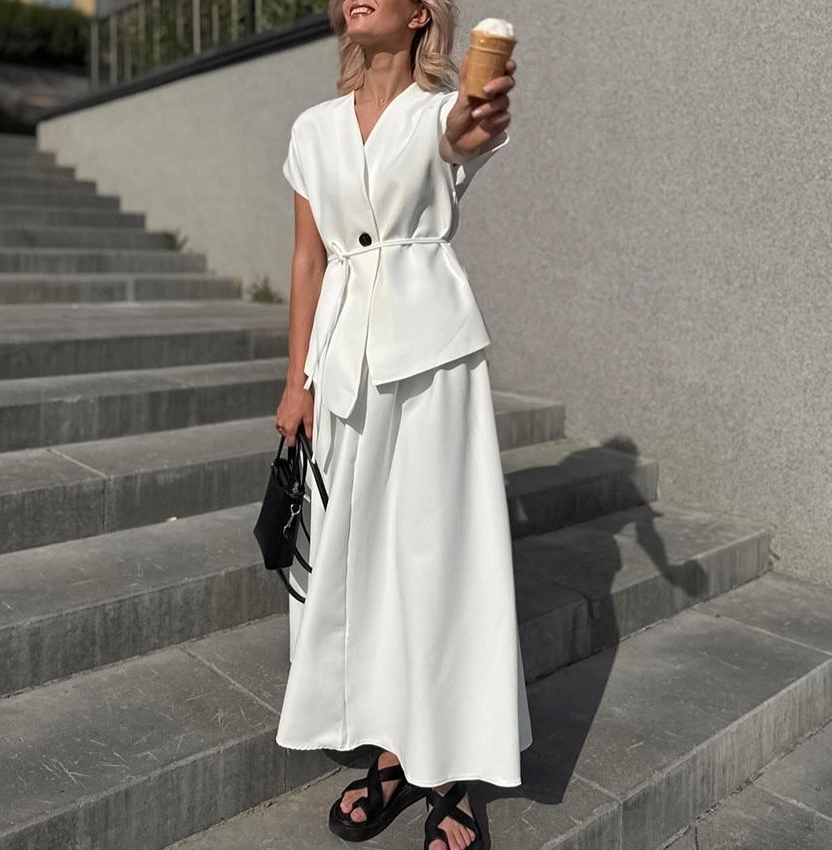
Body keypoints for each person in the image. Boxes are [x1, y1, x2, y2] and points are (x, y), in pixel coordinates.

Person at [273, 2, 532, 848]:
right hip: (342, 370)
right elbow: (309, 259)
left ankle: (452, 769)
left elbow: (463, 135)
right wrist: (296, 382)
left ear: (421, 14)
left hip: (432, 365)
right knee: (365, 564)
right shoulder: (313, 129)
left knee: (437, 559)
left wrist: (476, 113)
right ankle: (389, 752)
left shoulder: (436, 112)